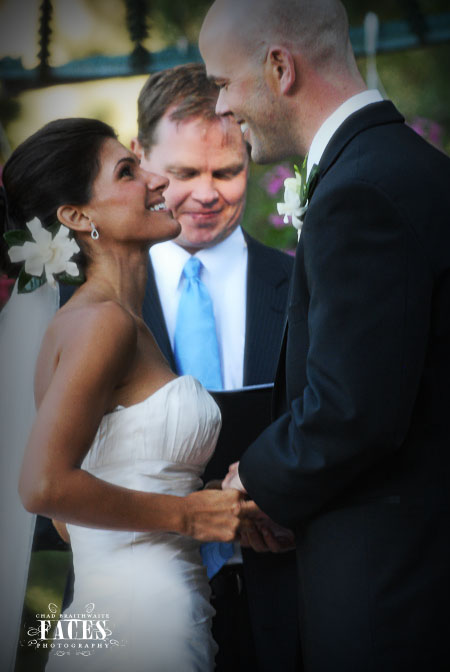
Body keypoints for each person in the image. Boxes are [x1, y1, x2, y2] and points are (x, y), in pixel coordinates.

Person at [199, 1, 450, 671]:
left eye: (222, 83)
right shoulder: (399, 164)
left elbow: (352, 407)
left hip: (389, 593)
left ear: (280, 67)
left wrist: (252, 477)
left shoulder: (359, 190)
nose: (221, 107)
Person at [0, 117, 251, 672]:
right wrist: (186, 516)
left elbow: (73, 519)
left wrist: (206, 498)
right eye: (128, 171)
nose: (158, 180)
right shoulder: (102, 324)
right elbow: (43, 487)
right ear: (78, 216)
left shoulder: (100, 322)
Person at [130, 63, 301, 671]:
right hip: (138, 605)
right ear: (139, 155)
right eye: (182, 173)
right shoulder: (89, 303)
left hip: (284, 600)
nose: (206, 193)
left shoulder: (304, 283)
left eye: (227, 171)